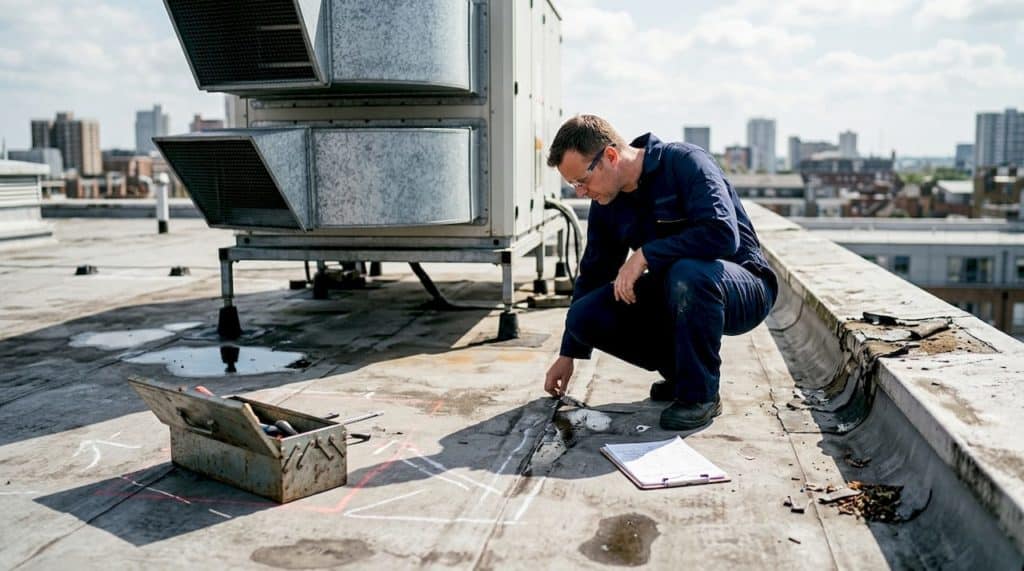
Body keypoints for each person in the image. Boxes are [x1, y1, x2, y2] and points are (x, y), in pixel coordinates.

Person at [543, 115, 778, 430]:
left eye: (581, 181)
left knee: (687, 273)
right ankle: (684, 375)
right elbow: (594, 273)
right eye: (573, 185)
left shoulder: (684, 162)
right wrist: (567, 353)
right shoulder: (607, 203)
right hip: (677, 287)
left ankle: (701, 396)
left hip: (743, 284)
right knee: (584, 315)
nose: (580, 193)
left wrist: (646, 254)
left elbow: (722, 233)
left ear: (610, 156)